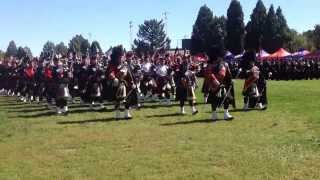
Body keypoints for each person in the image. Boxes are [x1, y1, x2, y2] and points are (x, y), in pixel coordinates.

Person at [204, 48, 233, 121]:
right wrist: (215, 83)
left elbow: (228, 75)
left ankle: (226, 114)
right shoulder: (211, 65)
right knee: (214, 100)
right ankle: (214, 115)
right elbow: (209, 75)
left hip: (223, 85)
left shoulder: (225, 64)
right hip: (214, 86)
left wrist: (230, 81)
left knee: (226, 99)